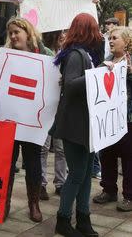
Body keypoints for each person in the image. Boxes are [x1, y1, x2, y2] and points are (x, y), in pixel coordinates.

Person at [53, 13, 103, 236]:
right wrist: (98, 74)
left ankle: (83, 219)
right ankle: (63, 220)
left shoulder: (81, 54)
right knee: (77, 174)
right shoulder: (76, 55)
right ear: (88, 30)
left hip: (82, 124)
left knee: (83, 174)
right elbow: (72, 85)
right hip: (74, 125)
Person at [3, 17, 53, 223]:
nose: (14, 36)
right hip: (11, 119)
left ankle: (33, 203)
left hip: (32, 120)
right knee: (8, 163)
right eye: (11, 33)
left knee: (33, 164)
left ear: (27, 32)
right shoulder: (5, 55)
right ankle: (3, 203)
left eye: (17, 32)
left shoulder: (46, 55)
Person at [92, 26, 132, 212]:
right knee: (107, 154)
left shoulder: (130, 62)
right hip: (108, 118)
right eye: (110, 38)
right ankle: (108, 189)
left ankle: (129, 196)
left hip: (128, 119)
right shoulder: (106, 61)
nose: (111, 41)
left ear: (127, 41)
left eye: (115, 38)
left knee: (128, 157)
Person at [40, 30, 67, 200]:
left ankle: (60, 183)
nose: (64, 36)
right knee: (42, 147)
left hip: (62, 107)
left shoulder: (68, 54)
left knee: (61, 148)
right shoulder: (42, 54)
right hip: (45, 105)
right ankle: (40, 183)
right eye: (61, 34)